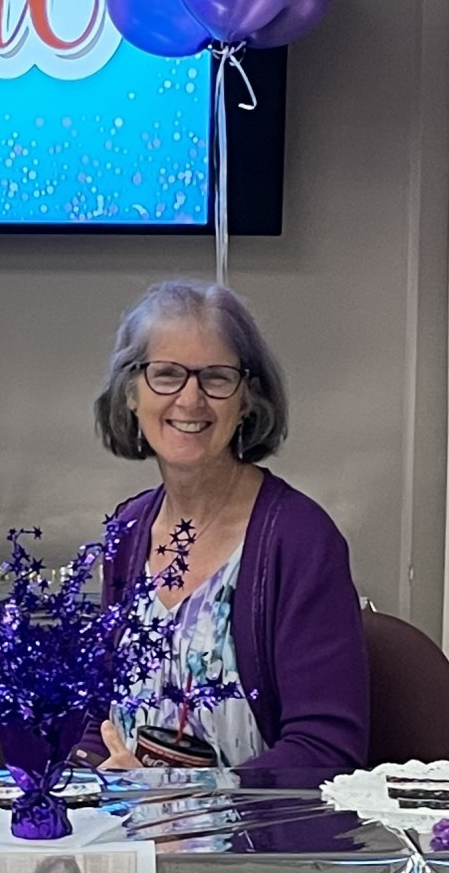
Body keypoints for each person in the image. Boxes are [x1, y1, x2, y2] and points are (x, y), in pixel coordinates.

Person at [91, 280, 369, 792]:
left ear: (247, 399)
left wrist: (183, 799)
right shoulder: (127, 532)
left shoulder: (301, 539)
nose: (190, 398)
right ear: (131, 393)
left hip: (252, 854)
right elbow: (97, 719)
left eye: (216, 378)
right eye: (166, 374)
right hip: (129, 845)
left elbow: (326, 749)